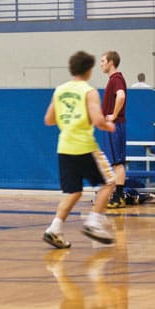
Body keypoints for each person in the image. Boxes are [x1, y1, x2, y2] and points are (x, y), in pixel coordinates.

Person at [42, 50, 117, 248]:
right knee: (110, 182)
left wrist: (67, 117)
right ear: (89, 70)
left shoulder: (60, 90)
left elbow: (48, 120)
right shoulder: (89, 91)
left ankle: (54, 229)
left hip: (64, 147)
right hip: (84, 145)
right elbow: (98, 120)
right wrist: (108, 125)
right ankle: (94, 222)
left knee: (73, 192)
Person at [99, 51, 128, 209]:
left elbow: (121, 96)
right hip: (112, 126)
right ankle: (117, 196)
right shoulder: (113, 80)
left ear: (111, 62)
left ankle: (118, 197)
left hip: (115, 125)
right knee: (116, 163)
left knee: (118, 163)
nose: (101, 64)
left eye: (103, 61)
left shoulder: (116, 79)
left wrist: (114, 115)